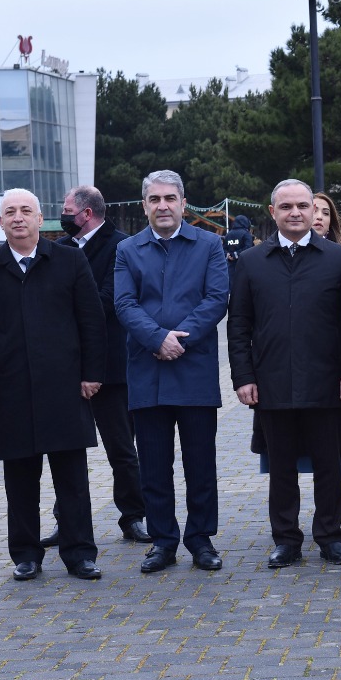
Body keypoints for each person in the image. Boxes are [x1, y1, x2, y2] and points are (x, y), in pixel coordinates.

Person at [0, 188, 106, 581]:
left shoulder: (69, 259)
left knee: (72, 478)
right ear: (0, 221)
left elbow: (91, 322)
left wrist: (93, 373)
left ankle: (79, 553)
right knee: (20, 479)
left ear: (39, 218)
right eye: (10, 211)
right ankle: (26, 554)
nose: (18, 217)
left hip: (65, 387)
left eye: (26, 210)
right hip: (12, 390)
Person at [229, 179, 341, 568]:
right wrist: (243, 377)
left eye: (303, 206)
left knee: (328, 466)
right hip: (271, 383)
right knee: (281, 469)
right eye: (286, 206)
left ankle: (329, 537)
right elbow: (239, 325)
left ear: (313, 210)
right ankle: (286, 540)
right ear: (272, 213)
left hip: (327, 383)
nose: (296, 213)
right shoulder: (252, 262)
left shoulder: (339, 259)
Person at [115, 170, 230, 573]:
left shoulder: (210, 244)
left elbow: (217, 299)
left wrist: (179, 339)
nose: (162, 206)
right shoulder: (128, 250)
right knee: (154, 465)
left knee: (201, 463)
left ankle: (200, 539)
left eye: (169, 198)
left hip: (193, 369)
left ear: (183, 202)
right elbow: (124, 304)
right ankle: (163, 541)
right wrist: (157, 338)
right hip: (147, 371)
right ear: (144, 205)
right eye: (154, 199)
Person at [39, 185, 149, 548]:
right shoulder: (61, 250)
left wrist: (63, 316)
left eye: (67, 209)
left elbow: (111, 299)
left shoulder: (122, 246)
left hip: (111, 365)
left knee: (121, 447)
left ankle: (133, 517)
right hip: (68, 366)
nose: (63, 214)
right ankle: (66, 521)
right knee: (66, 449)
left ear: (86, 213)